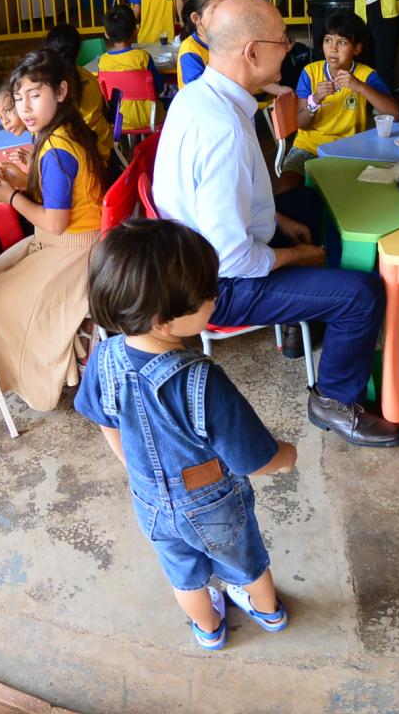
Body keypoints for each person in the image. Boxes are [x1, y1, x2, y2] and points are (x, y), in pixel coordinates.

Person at [152, 0, 399, 446]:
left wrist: (281, 220)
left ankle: (314, 315)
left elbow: (230, 204)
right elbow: (233, 257)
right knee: (362, 295)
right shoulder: (222, 130)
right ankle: (334, 400)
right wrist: (297, 254)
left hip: (204, 248)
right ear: (251, 53)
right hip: (217, 284)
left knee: (319, 203)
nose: (291, 48)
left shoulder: (202, 98)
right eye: (283, 41)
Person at [75, 220, 297, 650]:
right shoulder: (201, 380)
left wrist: (131, 465)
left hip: (148, 501)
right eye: (206, 294)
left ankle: (209, 629)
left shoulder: (103, 357)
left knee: (183, 572)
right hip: (211, 499)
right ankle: (268, 612)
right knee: (244, 560)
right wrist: (286, 457)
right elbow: (252, 457)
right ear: (163, 321)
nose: (214, 296)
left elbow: (103, 418)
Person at [0, 50, 107, 412]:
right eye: (19, 99)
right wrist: (29, 175)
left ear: (61, 92)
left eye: (35, 95)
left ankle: (35, 373)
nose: (25, 109)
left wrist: (11, 195)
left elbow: (54, 221)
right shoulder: (65, 130)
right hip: (78, 237)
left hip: (73, 247)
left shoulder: (55, 150)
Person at [283, 12, 399, 177]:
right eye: (328, 40)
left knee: (351, 190)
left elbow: (394, 114)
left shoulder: (366, 75)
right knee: (288, 183)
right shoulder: (310, 72)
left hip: (350, 147)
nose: (333, 48)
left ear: (357, 48)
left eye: (342, 42)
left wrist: (359, 86)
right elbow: (301, 124)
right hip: (309, 145)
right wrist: (315, 100)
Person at [45, 24, 114, 159]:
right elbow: (104, 110)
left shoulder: (49, 86)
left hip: (77, 152)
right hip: (104, 143)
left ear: (48, 51)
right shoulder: (90, 77)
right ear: (79, 50)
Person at [98, 5, 155, 137]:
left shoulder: (103, 62)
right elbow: (158, 87)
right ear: (136, 31)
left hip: (117, 121)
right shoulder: (143, 57)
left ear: (106, 34)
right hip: (149, 118)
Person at [176, 0, 228, 90]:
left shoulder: (227, 42)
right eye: (216, 12)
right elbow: (200, 92)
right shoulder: (190, 50)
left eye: (226, 11)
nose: (224, 17)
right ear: (196, 18)